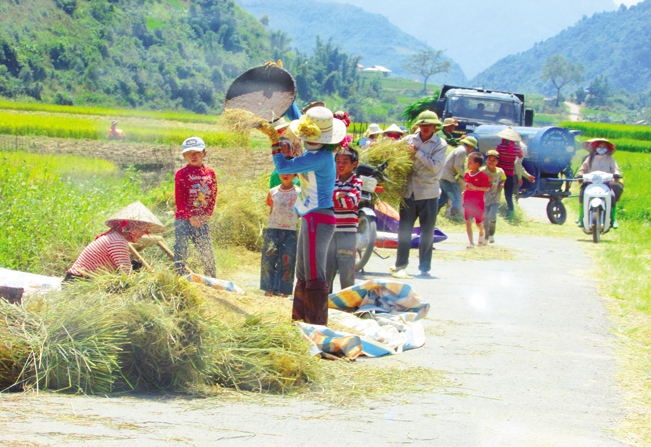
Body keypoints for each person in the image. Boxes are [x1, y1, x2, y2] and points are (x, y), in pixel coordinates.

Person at [259, 106, 345, 325]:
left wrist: (274, 141)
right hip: (310, 216)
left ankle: (317, 325)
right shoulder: (316, 151)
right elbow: (300, 118)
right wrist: (289, 101)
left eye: (306, 135)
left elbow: (282, 167)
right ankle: (300, 320)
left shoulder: (320, 158)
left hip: (319, 217)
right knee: (303, 270)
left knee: (315, 272)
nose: (303, 137)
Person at [392, 110, 447, 277]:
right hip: (408, 191)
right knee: (404, 230)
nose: (425, 127)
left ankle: (424, 267)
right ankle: (401, 264)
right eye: (423, 124)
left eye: (429, 125)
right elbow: (396, 156)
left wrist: (417, 153)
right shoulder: (408, 140)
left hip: (428, 192)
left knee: (427, 232)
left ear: (435, 127)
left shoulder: (440, 144)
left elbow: (436, 166)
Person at [66, 201, 165, 281]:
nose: (142, 234)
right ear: (128, 227)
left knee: (135, 265)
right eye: (139, 229)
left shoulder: (114, 237)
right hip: (78, 281)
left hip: (79, 279)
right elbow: (127, 276)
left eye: (144, 231)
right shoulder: (118, 241)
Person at [174, 137, 218, 278]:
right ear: (184, 156)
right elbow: (180, 200)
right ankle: (179, 278)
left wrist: (207, 215)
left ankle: (211, 279)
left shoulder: (210, 174)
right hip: (183, 220)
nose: (193, 156)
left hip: (202, 220)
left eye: (197, 152)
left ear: (204, 154)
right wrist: (190, 217)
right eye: (189, 153)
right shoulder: (181, 174)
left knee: (207, 251)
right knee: (181, 249)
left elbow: (213, 195)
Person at [326, 148, 362, 292]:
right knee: (327, 269)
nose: (340, 165)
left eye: (345, 162)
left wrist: (333, 197)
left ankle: (347, 303)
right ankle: (325, 302)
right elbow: (324, 200)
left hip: (347, 232)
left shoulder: (357, 182)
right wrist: (339, 196)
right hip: (330, 231)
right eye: (338, 161)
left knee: (346, 269)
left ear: (355, 164)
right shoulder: (331, 181)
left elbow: (351, 202)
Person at [260, 172, 300, 297]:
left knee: (287, 261)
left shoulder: (299, 193)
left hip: (290, 231)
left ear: (295, 175)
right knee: (269, 259)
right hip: (273, 229)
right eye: (283, 172)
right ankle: (268, 289)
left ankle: (285, 291)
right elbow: (271, 210)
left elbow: (300, 212)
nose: (286, 175)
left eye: (289, 172)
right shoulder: (273, 192)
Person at [576, 138, 623, 228]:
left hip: (605, 183)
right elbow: (582, 169)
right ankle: (581, 217)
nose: (602, 148)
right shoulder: (589, 158)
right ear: (596, 147)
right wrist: (580, 174)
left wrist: (616, 175)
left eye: (604, 146)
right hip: (591, 182)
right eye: (600, 146)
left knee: (612, 196)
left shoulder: (610, 159)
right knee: (582, 193)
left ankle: (613, 219)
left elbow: (615, 169)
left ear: (608, 148)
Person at [438, 136, 478, 219]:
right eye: (472, 148)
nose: (472, 149)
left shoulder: (459, 149)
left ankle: (431, 215)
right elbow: (457, 166)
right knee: (457, 199)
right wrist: (465, 175)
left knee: (442, 199)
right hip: (448, 178)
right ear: (470, 146)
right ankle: (455, 217)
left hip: (443, 176)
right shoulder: (462, 151)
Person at [495, 127, 524, 220]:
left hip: (499, 174)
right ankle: (511, 217)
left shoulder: (500, 147)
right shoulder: (517, 148)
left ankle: (495, 214)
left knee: (495, 194)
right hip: (510, 175)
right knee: (509, 196)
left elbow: (496, 158)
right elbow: (521, 155)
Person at [463, 152, 491, 248]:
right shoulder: (467, 174)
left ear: (477, 164)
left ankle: (482, 231)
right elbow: (467, 186)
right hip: (467, 202)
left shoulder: (482, 176)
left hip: (478, 203)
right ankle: (471, 243)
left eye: (470, 162)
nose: (467, 164)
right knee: (468, 222)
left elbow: (487, 188)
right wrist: (465, 191)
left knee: (478, 223)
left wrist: (475, 187)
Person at [480, 150, 506, 243]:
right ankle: (486, 236)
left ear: (497, 161)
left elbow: (503, 179)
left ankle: (491, 234)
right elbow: (477, 181)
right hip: (484, 198)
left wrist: (502, 184)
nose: (491, 161)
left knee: (492, 216)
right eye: (489, 159)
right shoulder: (482, 171)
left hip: (496, 197)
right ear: (486, 160)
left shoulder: (500, 171)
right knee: (485, 217)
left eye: (494, 159)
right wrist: (486, 179)